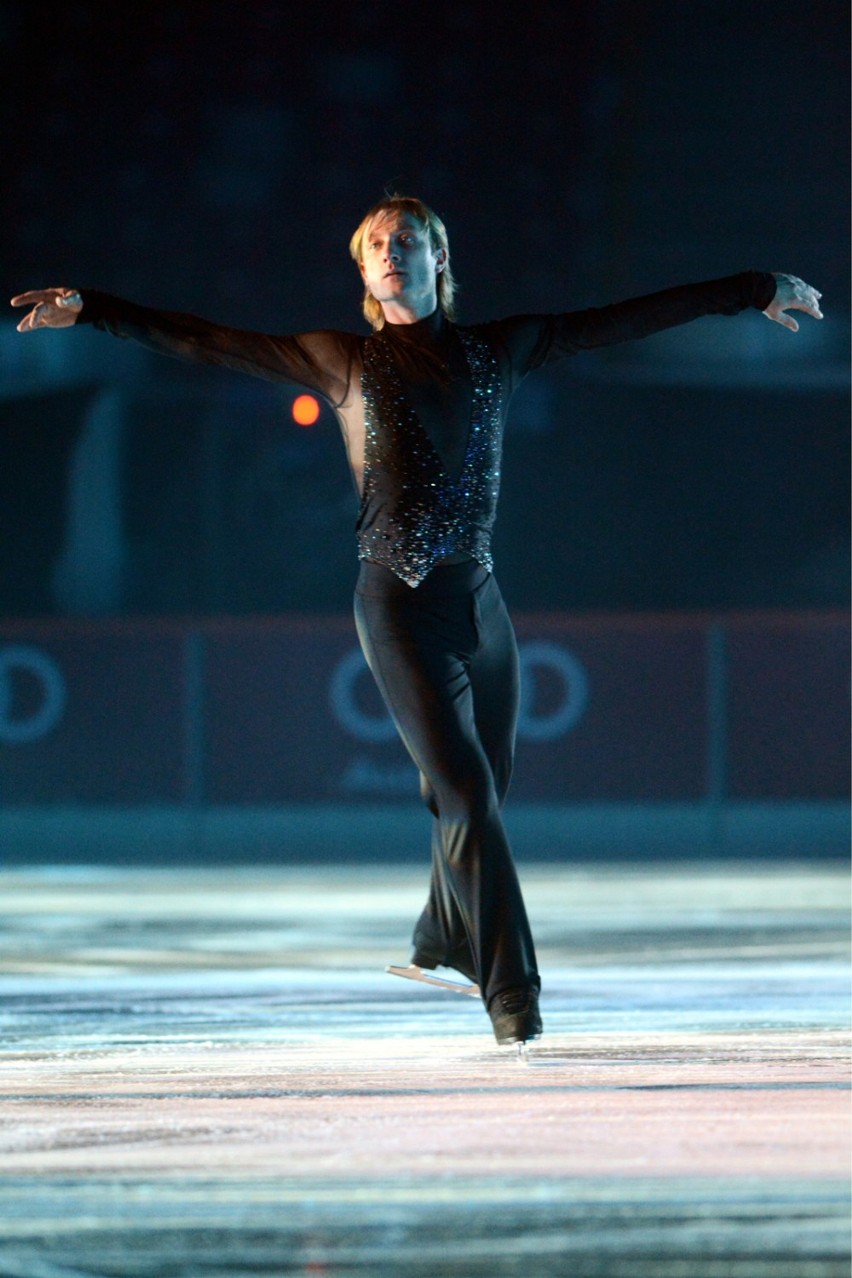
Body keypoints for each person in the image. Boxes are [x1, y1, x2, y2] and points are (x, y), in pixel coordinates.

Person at [11, 195, 823, 1050]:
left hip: (480, 604)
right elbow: (205, 339)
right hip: (394, 607)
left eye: (409, 240)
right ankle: (516, 1001)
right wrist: (94, 309)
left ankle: (440, 937)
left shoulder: (499, 350)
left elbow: (621, 320)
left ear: (441, 259)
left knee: (476, 798)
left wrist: (753, 286)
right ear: (363, 272)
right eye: (377, 246)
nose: (393, 252)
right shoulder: (340, 361)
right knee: (466, 794)